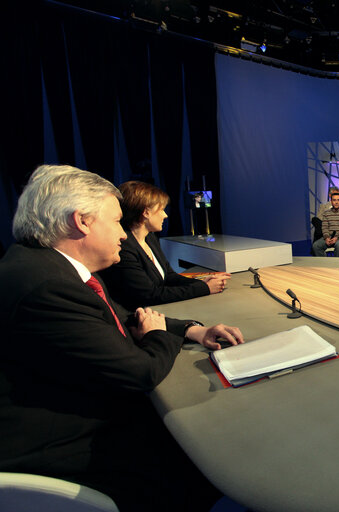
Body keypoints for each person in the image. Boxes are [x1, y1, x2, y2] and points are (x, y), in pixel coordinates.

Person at [0, 164, 244, 512]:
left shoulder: (46, 266)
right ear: (81, 221)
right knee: (202, 456)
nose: (122, 234)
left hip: (72, 413)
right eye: (115, 221)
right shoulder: (47, 285)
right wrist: (158, 336)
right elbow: (139, 372)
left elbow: (126, 316)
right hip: (61, 444)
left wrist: (194, 329)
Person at [100, 181, 230, 311]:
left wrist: (203, 282)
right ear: (146, 212)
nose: (165, 215)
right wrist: (204, 288)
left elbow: (169, 276)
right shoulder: (124, 248)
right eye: (161, 209)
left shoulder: (150, 237)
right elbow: (149, 295)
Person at [312, 191, 339, 256]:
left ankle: (336, 264)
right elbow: (324, 227)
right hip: (329, 237)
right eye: (334, 200)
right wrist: (326, 237)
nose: (336, 202)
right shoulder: (326, 213)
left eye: (338, 200)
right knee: (316, 245)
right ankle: (324, 264)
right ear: (331, 202)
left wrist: (337, 237)